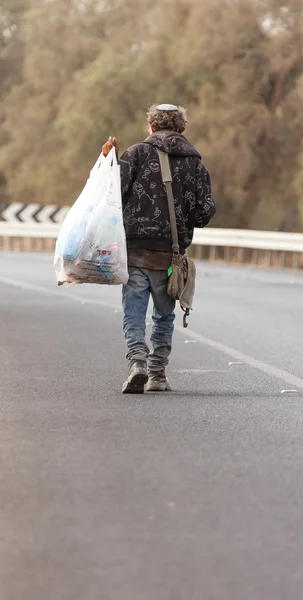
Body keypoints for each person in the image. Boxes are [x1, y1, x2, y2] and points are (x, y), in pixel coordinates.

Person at [102, 104, 216, 394]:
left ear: (151, 126)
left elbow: (111, 195)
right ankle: (157, 374)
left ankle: (137, 360)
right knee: (164, 315)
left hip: (136, 251)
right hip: (170, 255)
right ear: (181, 128)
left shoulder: (135, 154)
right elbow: (205, 213)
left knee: (134, 310)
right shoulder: (195, 163)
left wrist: (107, 162)